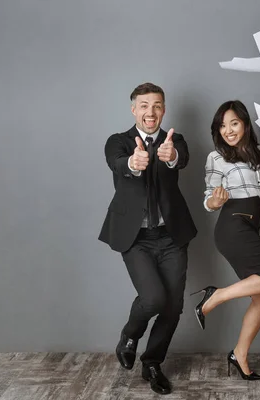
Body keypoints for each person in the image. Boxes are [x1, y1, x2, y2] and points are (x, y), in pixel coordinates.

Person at [98, 82, 197, 395]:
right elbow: (117, 163)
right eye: (143, 105)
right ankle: (130, 335)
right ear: (133, 109)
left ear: (163, 109)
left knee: (173, 307)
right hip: (136, 238)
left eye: (156, 105)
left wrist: (169, 156)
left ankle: (152, 362)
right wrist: (132, 163)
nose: (150, 111)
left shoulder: (174, 140)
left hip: (171, 236)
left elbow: (180, 158)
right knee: (154, 298)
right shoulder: (118, 141)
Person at [191, 100, 260, 381]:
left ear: (245, 124)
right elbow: (208, 198)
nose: (228, 130)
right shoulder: (216, 157)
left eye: (233, 123)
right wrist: (214, 200)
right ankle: (216, 295)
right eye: (222, 125)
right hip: (231, 227)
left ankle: (239, 354)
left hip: (252, 226)